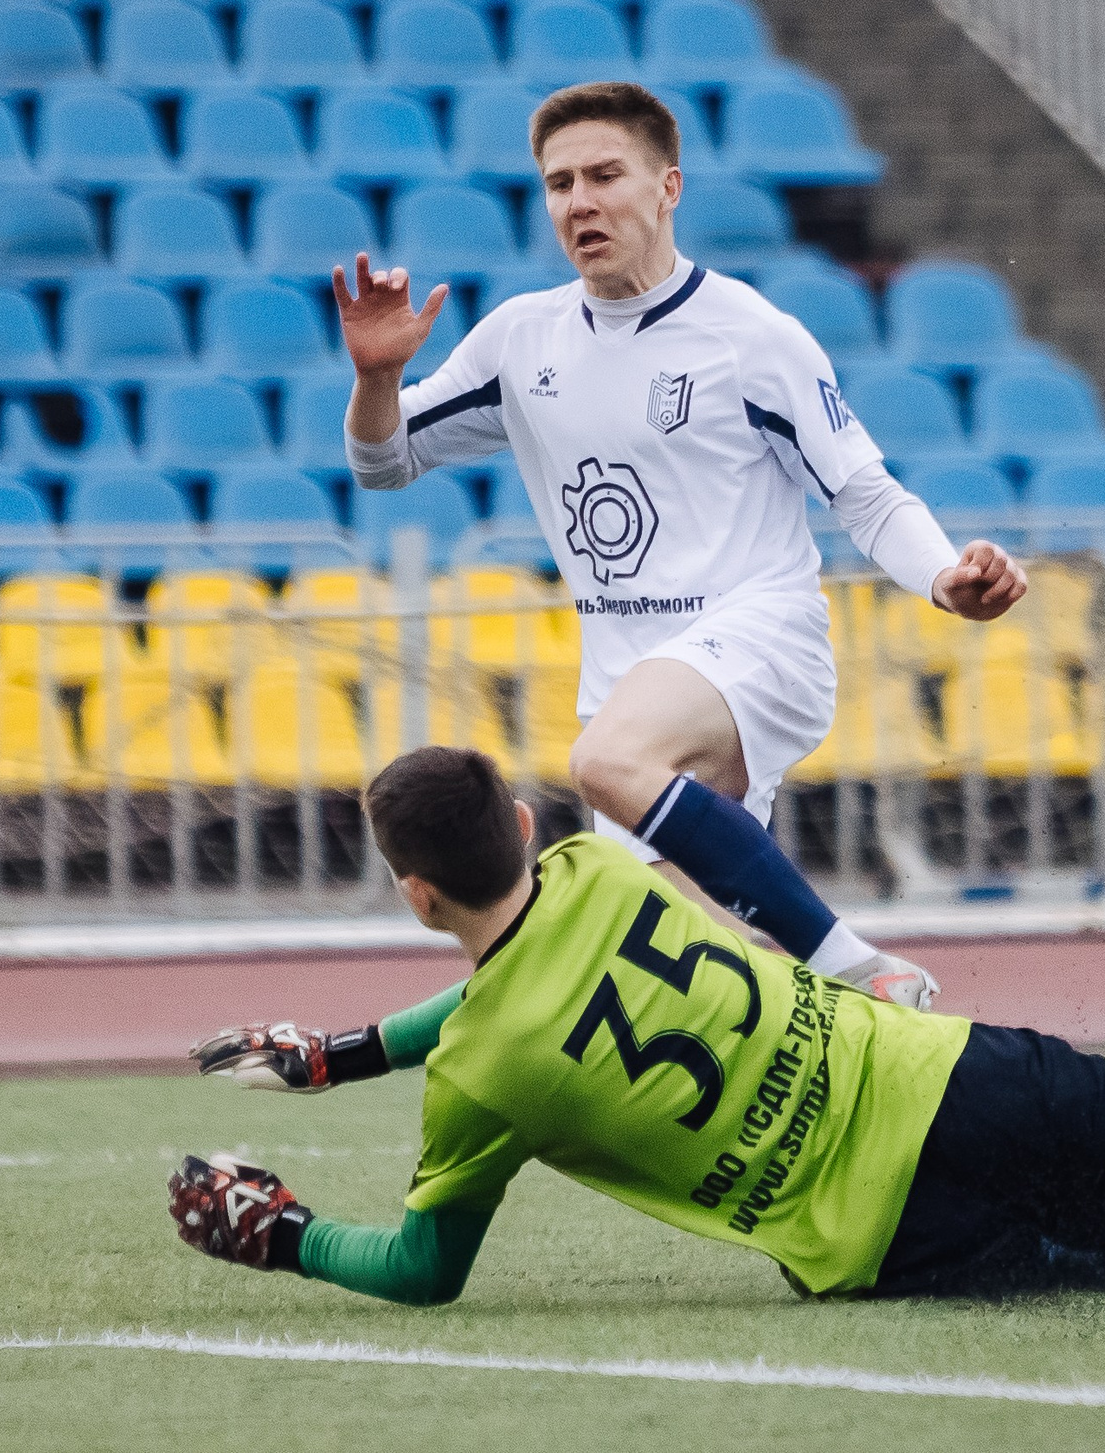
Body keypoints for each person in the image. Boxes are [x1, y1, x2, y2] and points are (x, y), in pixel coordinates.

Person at [170, 747, 1105, 1303]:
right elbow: (521, 961)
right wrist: (343, 1050)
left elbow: (423, 1266)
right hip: (947, 1077)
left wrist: (287, 1231)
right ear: (526, 825)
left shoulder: (483, 1074)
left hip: (882, 1239)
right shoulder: (594, 869)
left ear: (414, 896)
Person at [337, 79, 1027, 1007]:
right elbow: (384, 462)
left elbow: (864, 492)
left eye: (604, 175)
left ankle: (857, 964)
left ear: (668, 188)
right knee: (690, 985)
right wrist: (378, 378)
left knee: (603, 761)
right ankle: (867, 1030)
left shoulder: (751, 337)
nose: (579, 202)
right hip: (630, 685)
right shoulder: (520, 341)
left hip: (761, 640)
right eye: (559, 183)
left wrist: (945, 575)